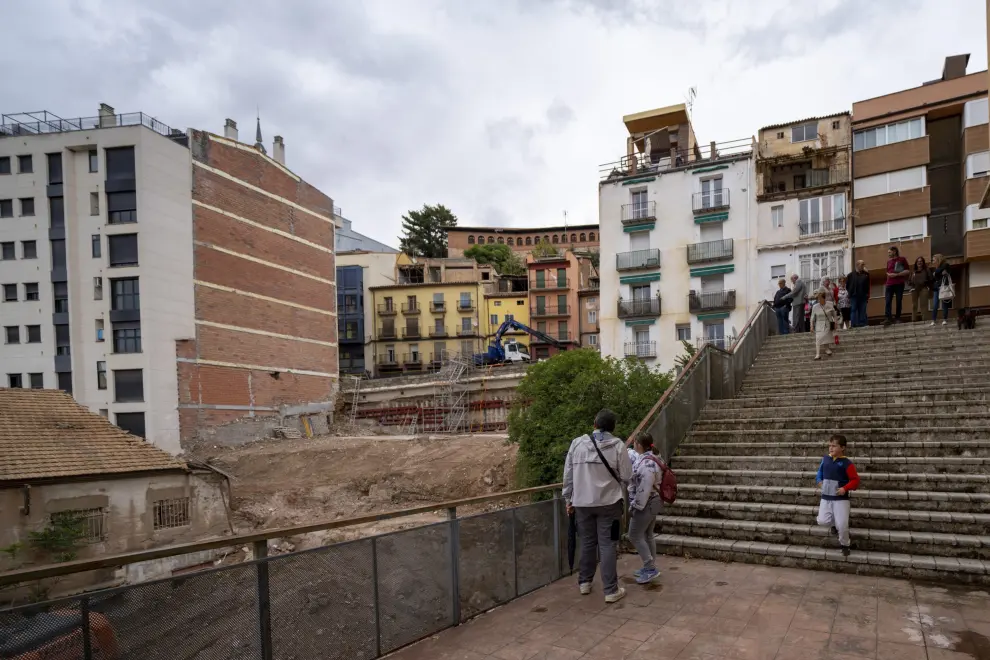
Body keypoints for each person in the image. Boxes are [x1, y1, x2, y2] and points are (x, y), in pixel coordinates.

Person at [562, 408, 632, 604]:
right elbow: (627, 476)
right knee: (608, 545)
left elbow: (567, 476)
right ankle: (610, 590)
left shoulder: (577, 444)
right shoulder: (618, 445)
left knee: (587, 542)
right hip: (609, 504)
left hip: (582, 504)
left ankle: (584, 582)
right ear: (613, 427)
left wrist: (568, 500)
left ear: (594, 424)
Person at [626, 431, 664, 584]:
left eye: (635, 443)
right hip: (654, 501)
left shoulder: (648, 464)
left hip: (646, 503)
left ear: (639, 445)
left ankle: (650, 568)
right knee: (648, 534)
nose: (633, 445)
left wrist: (635, 506)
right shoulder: (653, 457)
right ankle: (650, 565)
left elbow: (644, 488)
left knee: (634, 535)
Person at [816, 434, 860, 557]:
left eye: (834, 446)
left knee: (842, 525)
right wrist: (819, 481)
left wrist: (845, 488)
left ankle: (845, 545)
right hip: (826, 497)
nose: (831, 448)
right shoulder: (825, 459)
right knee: (822, 521)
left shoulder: (847, 463)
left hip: (841, 499)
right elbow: (819, 472)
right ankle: (833, 525)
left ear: (842, 448)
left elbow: (855, 481)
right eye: (830, 446)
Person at [884, 246, 910, 326]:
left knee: (899, 301)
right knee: (888, 301)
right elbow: (888, 272)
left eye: (889, 252)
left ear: (894, 251)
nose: (888, 254)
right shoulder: (888, 262)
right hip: (889, 284)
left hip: (899, 283)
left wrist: (896, 275)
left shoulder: (902, 259)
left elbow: (907, 271)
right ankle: (888, 318)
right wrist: (888, 275)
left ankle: (897, 318)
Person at [810, 290, 837, 360]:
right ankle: (818, 354)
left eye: (820, 298)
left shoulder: (830, 304)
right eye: (817, 299)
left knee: (827, 336)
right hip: (819, 324)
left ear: (823, 298)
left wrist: (836, 323)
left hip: (828, 323)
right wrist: (811, 326)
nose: (818, 300)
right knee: (818, 338)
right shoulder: (815, 306)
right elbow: (812, 317)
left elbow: (834, 315)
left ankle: (827, 349)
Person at [846, 260, 871, 328]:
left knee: (862, 310)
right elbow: (847, 285)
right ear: (857, 265)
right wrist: (850, 292)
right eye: (862, 264)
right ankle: (854, 324)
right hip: (854, 295)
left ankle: (862, 323)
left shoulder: (866, 274)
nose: (863, 266)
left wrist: (867, 294)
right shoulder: (850, 275)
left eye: (864, 264)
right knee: (854, 309)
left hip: (863, 295)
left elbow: (868, 285)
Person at [931, 254, 952, 326]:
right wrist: (938, 272)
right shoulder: (937, 268)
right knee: (935, 304)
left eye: (934, 260)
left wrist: (936, 272)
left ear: (938, 260)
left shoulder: (945, 265)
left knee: (944, 303)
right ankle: (933, 320)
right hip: (936, 287)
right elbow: (934, 276)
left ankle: (945, 319)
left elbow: (938, 272)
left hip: (943, 287)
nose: (933, 262)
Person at [910, 256, 933, 323]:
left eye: (921, 261)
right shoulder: (913, 271)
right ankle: (913, 319)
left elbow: (931, 278)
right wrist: (911, 286)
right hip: (914, 289)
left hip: (923, 288)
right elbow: (909, 281)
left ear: (923, 262)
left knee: (923, 304)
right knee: (914, 305)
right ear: (916, 263)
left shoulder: (926, 270)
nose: (919, 262)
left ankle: (925, 319)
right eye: (918, 261)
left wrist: (929, 286)